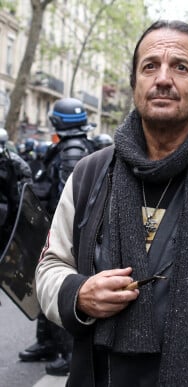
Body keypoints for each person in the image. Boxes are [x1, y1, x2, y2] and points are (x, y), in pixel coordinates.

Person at [35, 20, 188, 386]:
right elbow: (50, 267)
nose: (163, 78)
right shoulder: (90, 172)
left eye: (181, 67)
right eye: (150, 66)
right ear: (135, 84)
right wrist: (78, 294)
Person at [20, 97, 97, 376]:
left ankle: (67, 352)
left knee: (59, 284)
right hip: (46, 227)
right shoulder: (67, 146)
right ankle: (47, 343)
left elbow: (70, 200)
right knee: (44, 284)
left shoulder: (73, 149)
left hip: (58, 230)